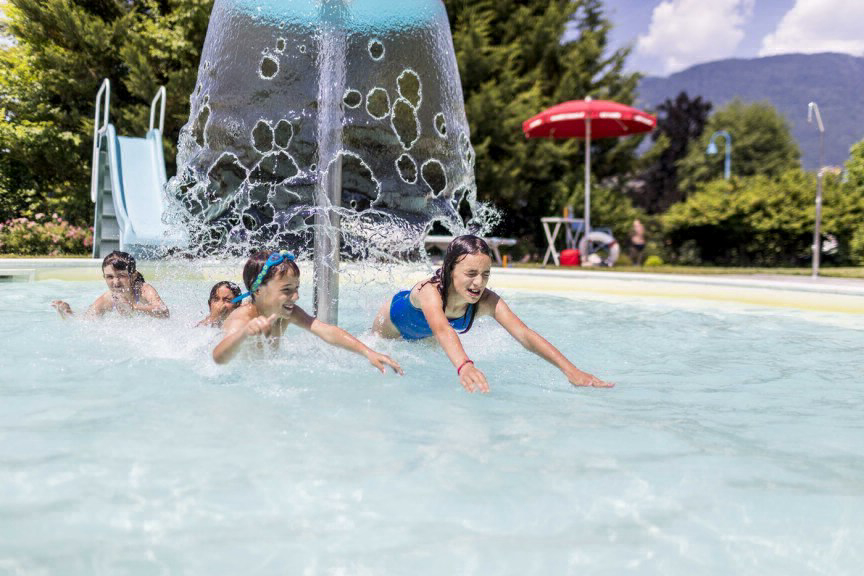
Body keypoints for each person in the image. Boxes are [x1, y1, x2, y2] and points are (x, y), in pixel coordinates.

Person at [372, 235, 612, 393]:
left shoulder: (486, 301)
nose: (479, 282)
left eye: (486, 274)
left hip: (425, 337)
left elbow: (524, 334)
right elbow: (443, 329)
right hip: (389, 333)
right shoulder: (429, 292)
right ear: (449, 269)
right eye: (471, 273)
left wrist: (571, 370)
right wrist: (465, 365)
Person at [213, 250, 403, 375]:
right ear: (258, 290)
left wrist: (368, 352)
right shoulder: (242, 319)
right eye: (286, 290)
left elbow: (326, 330)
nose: (295, 297)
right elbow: (218, 358)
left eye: (296, 288)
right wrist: (244, 333)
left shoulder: (286, 312)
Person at [52, 251, 169, 319]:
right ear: (104, 277)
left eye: (122, 276)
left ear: (133, 276)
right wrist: (67, 313)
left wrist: (134, 307)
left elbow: (164, 312)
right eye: (110, 277)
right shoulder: (108, 299)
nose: (116, 282)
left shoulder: (143, 290)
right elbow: (86, 322)